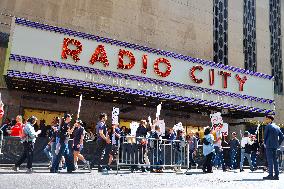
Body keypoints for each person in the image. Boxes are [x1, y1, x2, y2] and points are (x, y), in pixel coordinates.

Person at [263, 115, 284, 180]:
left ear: (270, 119)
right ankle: (276, 175)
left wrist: (265, 143)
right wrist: (278, 144)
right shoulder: (277, 127)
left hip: (269, 145)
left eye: (266, 119)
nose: (265, 120)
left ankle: (270, 175)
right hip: (275, 146)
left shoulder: (268, 126)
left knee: (270, 160)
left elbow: (265, 136)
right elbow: (282, 137)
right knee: (275, 161)